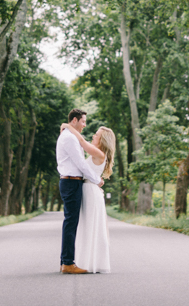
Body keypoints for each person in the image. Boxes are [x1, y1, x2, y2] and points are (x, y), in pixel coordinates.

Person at [62, 123, 115, 274]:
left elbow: (82, 142)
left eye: (96, 135)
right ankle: (84, 260)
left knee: (90, 225)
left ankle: (91, 262)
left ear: (102, 140)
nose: (93, 136)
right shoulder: (97, 153)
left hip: (90, 192)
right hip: (88, 189)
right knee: (86, 226)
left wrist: (68, 126)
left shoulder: (99, 153)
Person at [56, 108, 104, 274]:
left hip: (70, 182)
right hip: (71, 182)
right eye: (83, 121)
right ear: (74, 120)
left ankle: (65, 262)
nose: (84, 125)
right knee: (71, 223)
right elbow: (81, 164)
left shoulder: (69, 135)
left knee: (70, 222)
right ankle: (68, 263)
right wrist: (97, 180)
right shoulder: (69, 138)